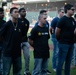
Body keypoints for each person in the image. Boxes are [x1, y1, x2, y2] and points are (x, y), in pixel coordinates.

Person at [0, 7, 26, 75]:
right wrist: (5, 43)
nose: (17, 13)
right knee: (6, 72)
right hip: (7, 53)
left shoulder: (21, 25)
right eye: (15, 12)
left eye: (18, 12)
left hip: (17, 53)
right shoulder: (7, 24)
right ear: (11, 14)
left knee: (17, 72)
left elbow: (23, 35)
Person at [55, 4, 75, 75]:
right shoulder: (62, 19)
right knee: (60, 62)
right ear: (67, 10)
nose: (74, 11)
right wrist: (60, 40)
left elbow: (73, 31)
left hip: (71, 44)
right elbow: (57, 32)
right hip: (63, 44)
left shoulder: (72, 19)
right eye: (72, 9)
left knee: (68, 62)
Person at [35, 9, 51, 74]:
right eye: (44, 14)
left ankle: (44, 70)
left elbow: (47, 36)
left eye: (46, 14)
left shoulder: (46, 24)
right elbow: (31, 40)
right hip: (39, 50)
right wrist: (36, 46)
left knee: (44, 67)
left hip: (45, 50)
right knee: (37, 68)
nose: (46, 16)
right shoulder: (36, 26)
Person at [18, 8, 31, 75]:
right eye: (23, 11)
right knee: (17, 57)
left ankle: (26, 71)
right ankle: (18, 72)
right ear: (19, 13)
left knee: (27, 56)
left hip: (25, 41)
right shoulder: (17, 21)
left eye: (25, 11)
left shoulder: (27, 21)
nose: (24, 13)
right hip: (17, 41)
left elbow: (26, 31)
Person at [0, 8, 6, 75]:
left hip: (3, 44)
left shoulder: (5, 23)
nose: (2, 14)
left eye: (2, 13)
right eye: (1, 13)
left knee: (2, 61)